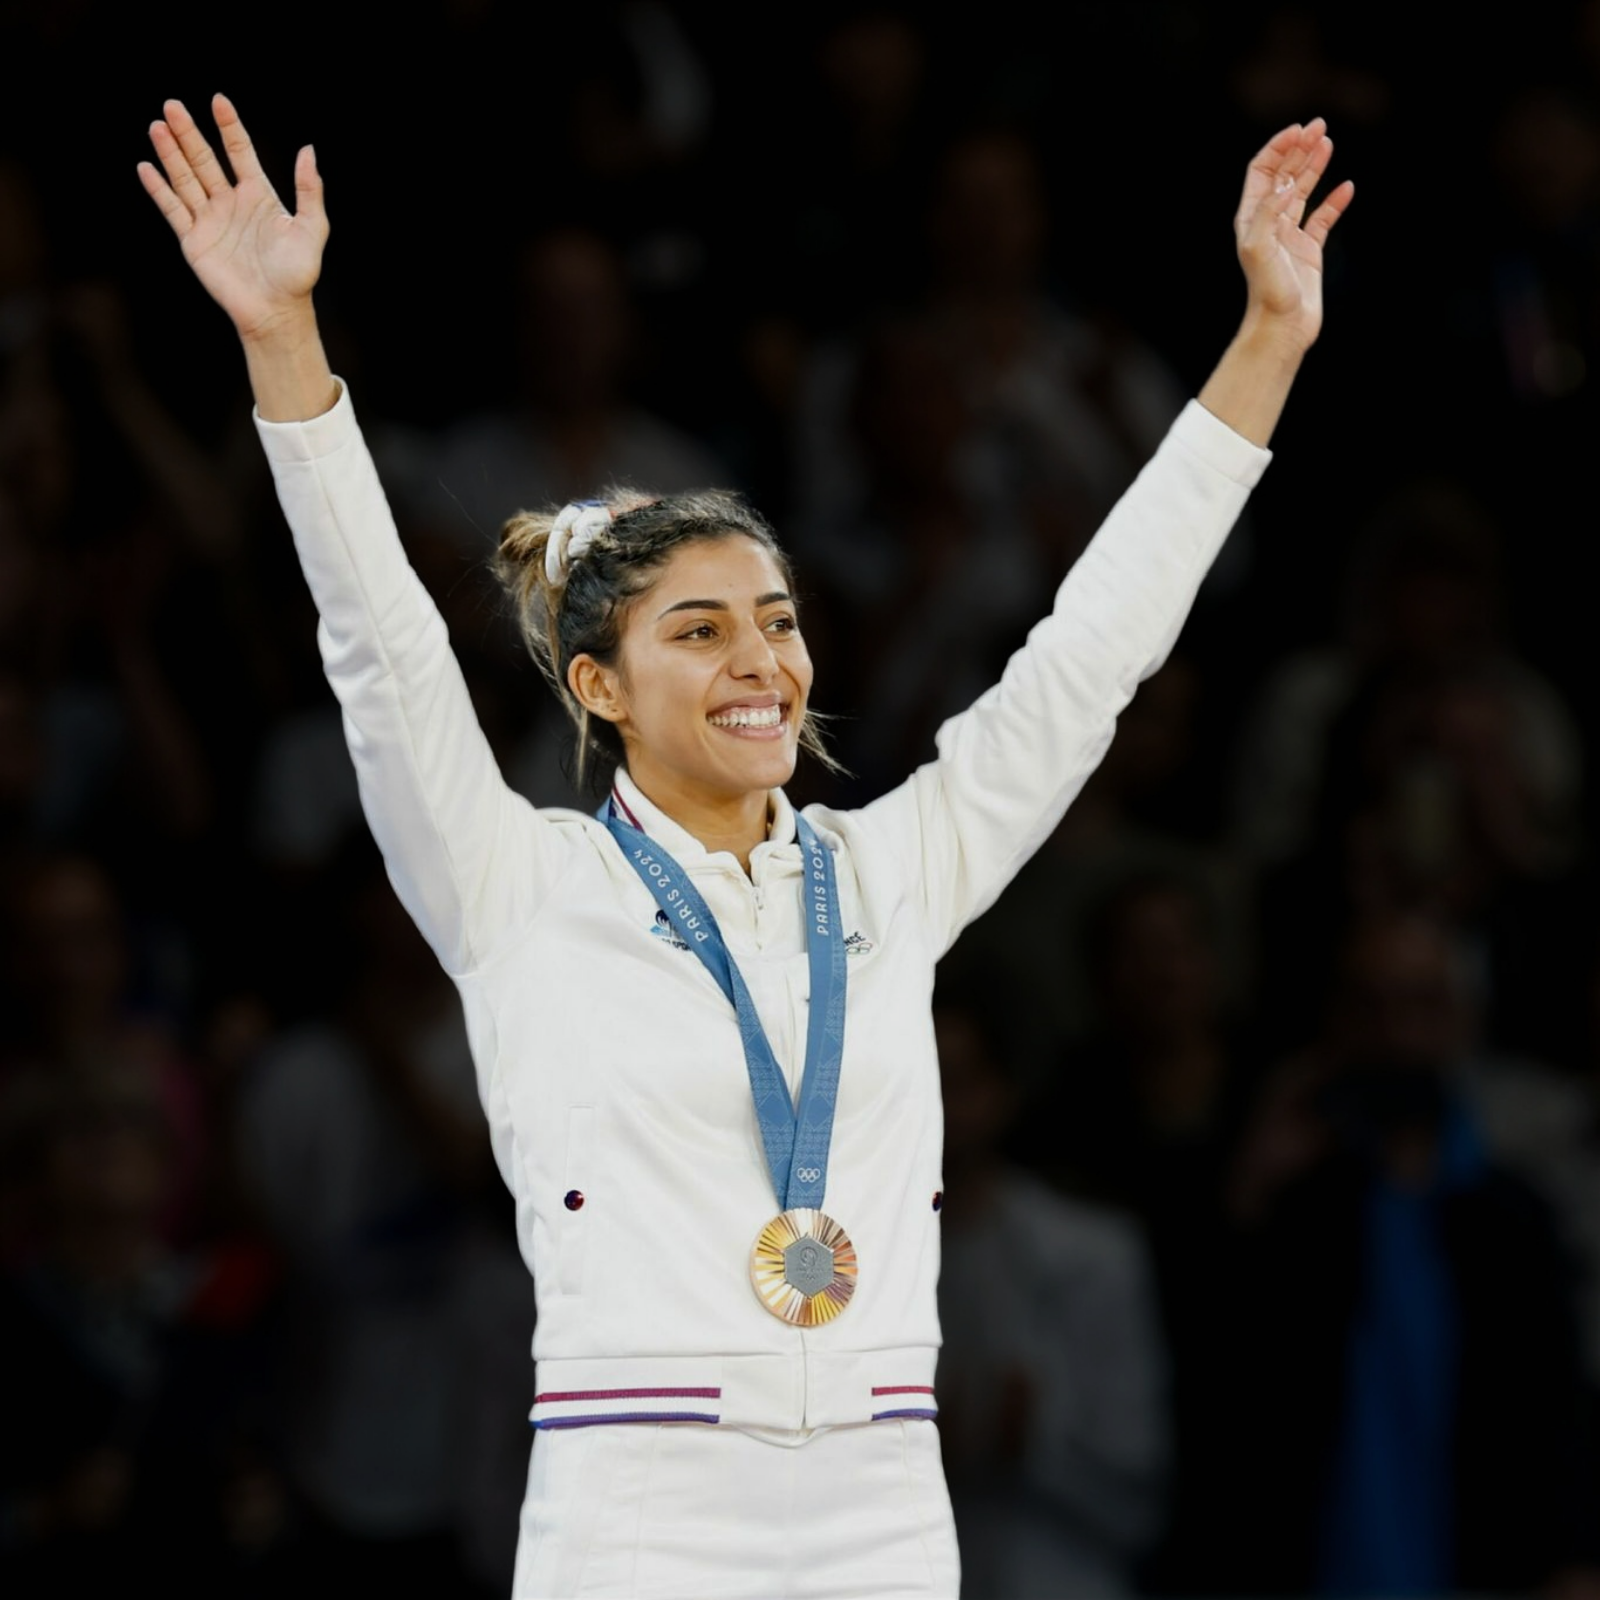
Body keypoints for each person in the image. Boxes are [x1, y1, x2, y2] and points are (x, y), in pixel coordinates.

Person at [136, 93, 1350, 1599]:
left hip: (888, 1505)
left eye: (776, 622)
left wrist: (1267, 342)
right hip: (640, 1507)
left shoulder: (891, 872)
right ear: (598, 687)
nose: (760, 662)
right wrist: (282, 344)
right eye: (699, 632)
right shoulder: (520, 885)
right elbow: (380, 653)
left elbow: (1091, 654)